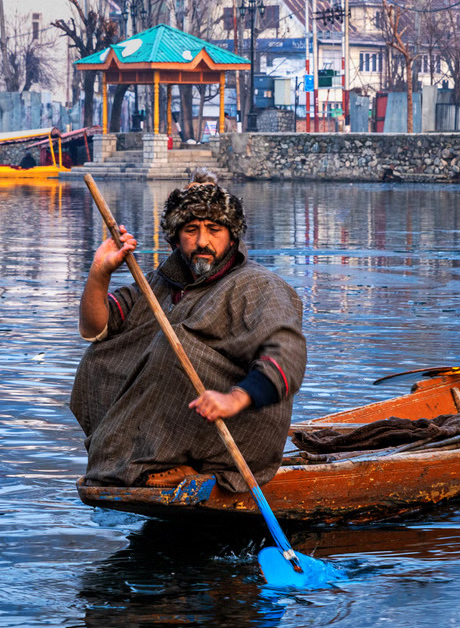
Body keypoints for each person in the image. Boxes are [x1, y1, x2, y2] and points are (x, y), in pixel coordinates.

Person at [71, 177, 305, 491]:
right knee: (100, 354)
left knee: (174, 347)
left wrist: (233, 399)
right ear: (177, 237)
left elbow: (287, 357)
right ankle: (138, 458)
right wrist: (100, 271)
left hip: (237, 432)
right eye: (191, 230)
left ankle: (183, 462)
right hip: (173, 429)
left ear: (232, 236)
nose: (202, 241)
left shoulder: (258, 286)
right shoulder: (158, 283)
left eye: (214, 229)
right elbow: (94, 327)